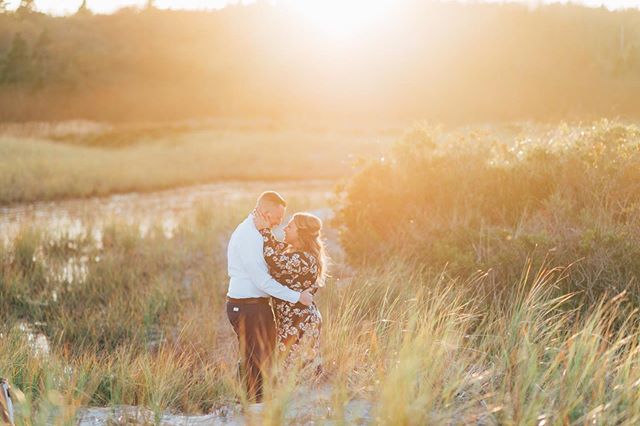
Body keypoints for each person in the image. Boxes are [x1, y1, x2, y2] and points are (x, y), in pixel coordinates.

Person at [226, 191, 314, 408]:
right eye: (277, 218)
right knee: (254, 360)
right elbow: (262, 281)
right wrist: (297, 297)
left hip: (258, 306)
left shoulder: (260, 233)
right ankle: (252, 409)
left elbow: (276, 259)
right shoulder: (249, 235)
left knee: (264, 358)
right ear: (265, 213)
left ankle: (256, 404)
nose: (280, 223)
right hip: (246, 306)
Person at [253, 211, 325, 380]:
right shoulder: (295, 253)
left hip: (301, 322)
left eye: (290, 226)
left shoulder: (304, 259)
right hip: (293, 321)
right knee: (295, 369)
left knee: (296, 371)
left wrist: (264, 230)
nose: (285, 228)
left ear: (301, 234)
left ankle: (306, 403)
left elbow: (273, 259)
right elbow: (275, 248)